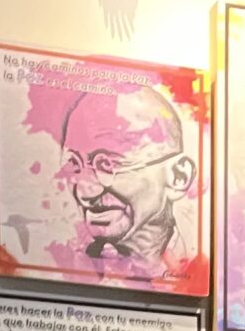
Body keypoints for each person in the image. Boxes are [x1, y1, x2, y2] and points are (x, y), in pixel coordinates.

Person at [50, 83, 198, 280]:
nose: (84, 193)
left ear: (178, 177)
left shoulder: (196, 265)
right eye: (74, 164)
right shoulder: (61, 265)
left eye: (107, 164)